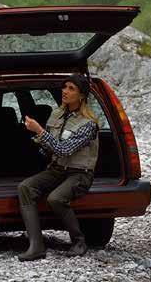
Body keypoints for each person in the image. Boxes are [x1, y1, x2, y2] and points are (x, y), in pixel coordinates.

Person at [17, 74, 99, 261]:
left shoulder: (88, 124)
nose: (65, 91)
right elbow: (51, 148)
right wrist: (36, 143)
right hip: (58, 169)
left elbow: (64, 149)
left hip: (80, 174)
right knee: (25, 187)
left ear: (81, 96)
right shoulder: (56, 115)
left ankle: (79, 241)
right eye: (65, 87)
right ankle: (36, 246)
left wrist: (39, 131)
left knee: (56, 198)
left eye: (71, 88)